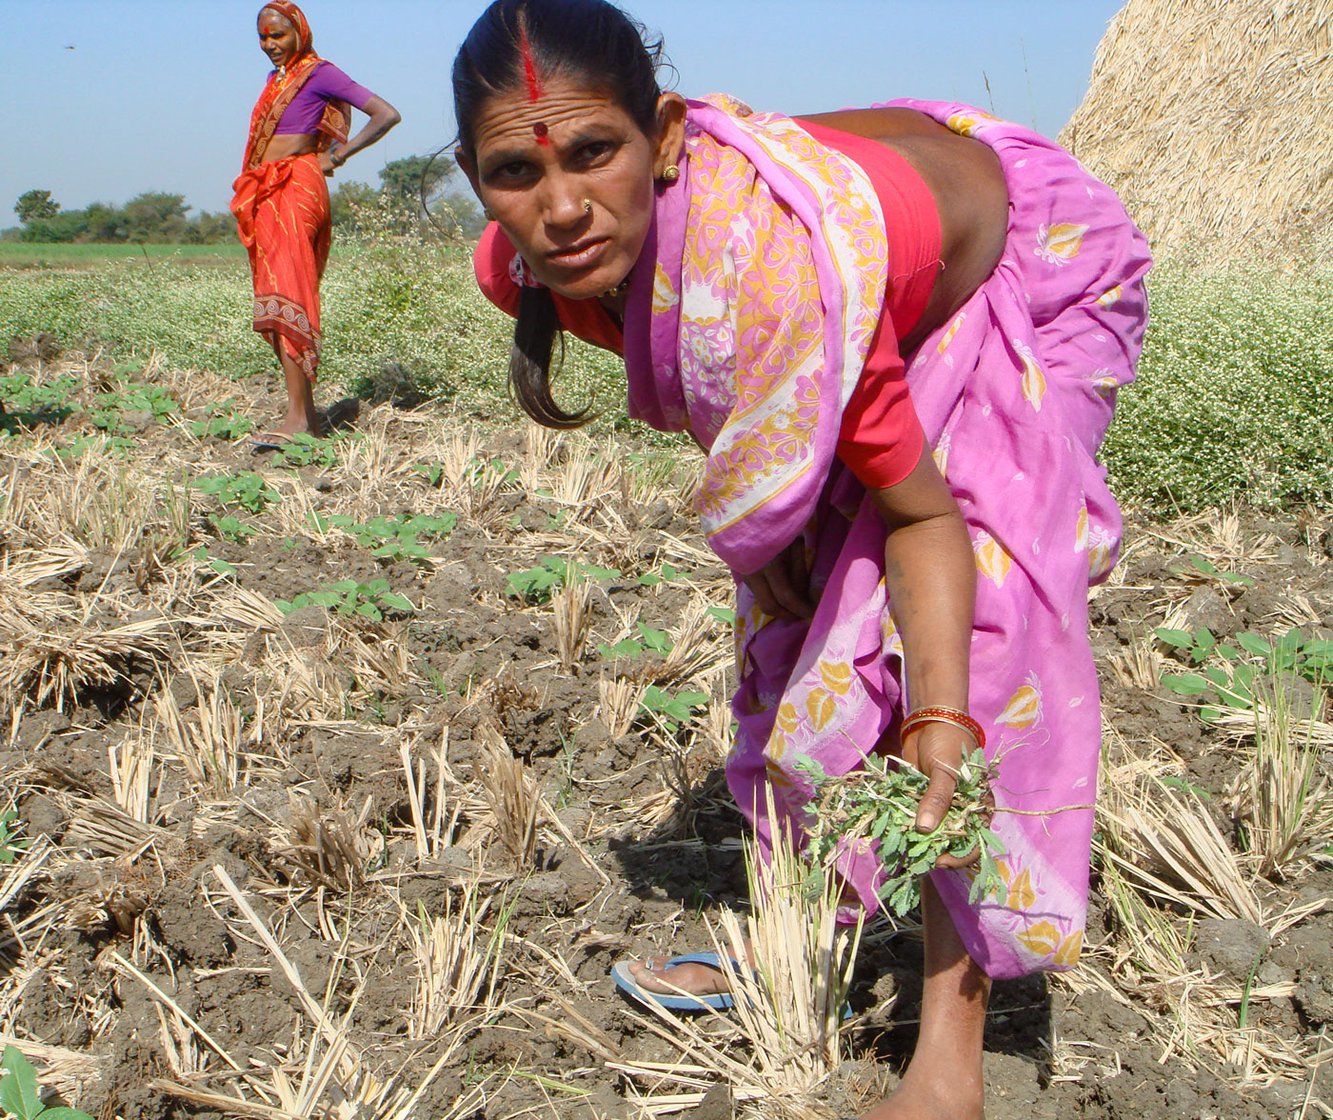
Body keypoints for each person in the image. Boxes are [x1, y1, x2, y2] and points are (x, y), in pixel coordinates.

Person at [452, 2, 1150, 1117]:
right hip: (864, 277)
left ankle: (948, 1061)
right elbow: (727, 384)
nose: (563, 205)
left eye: (595, 152)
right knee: (803, 614)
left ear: (664, 137)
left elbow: (924, 520)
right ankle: (796, 936)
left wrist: (936, 717)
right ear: (472, 175)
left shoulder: (776, 273)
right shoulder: (526, 264)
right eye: (513, 172)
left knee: (976, 636)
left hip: (1021, 262)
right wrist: (780, 531)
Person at [231, 1, 400, 450]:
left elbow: (385, 113)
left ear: (299, 33)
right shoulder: (275, 81)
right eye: (263, 38)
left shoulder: (319, 72)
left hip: (295, 186)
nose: (270, 45)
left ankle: (299, 421)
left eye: (278, 36)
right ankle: (301, 413)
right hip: (267, 188)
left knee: (288, 291)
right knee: (273, 298)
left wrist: (338, 154)